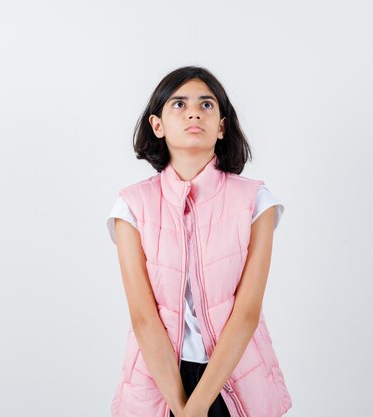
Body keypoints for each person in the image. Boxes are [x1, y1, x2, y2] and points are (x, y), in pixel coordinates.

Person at [106, 66, 292, 417]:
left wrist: (198, 407)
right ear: (157, 126)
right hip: (158, 378)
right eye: (178, 104)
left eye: (207, 105)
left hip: (235, 375)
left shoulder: (256, 201)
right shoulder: (131, 205)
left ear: (222, 126)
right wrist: (181, 407)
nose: (193, 111)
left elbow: (247, 312)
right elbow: (144, 318)